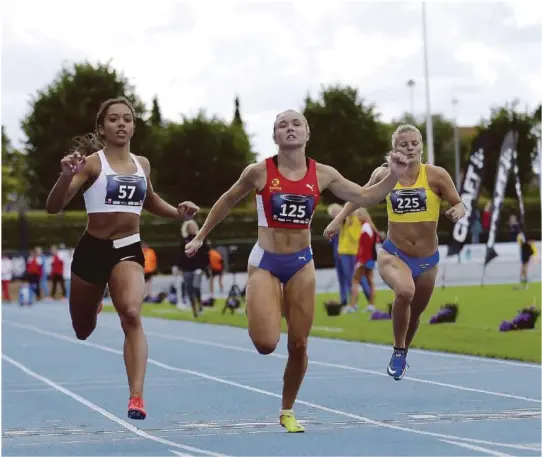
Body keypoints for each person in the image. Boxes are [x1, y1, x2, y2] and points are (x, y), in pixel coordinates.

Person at [185, 109, 408, 432]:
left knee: (299, 344)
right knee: (265, 344)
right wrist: (201, 235)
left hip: (301, 262)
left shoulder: (323, 174)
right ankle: (258, 302)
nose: (289, 129)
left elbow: (364, 196)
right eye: (282, 125)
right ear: (274, 136)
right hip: (266, 262)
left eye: (296, 124)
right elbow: (228, 200)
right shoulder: (259, 171)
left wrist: (393, 175)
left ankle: (287, 410)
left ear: (307, 133)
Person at [45, 97, 199, 420]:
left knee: (131, 313)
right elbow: (53, 206)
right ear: (101, 127)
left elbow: (151, 200)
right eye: (113, 119)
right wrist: (63, 176)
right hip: (92, 251)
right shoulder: (91, 163)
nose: (121, 124)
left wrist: (177, 213)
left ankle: (137, 396)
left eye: (127, 119)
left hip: (129, 248)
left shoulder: (142, 165)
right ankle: (96, 298)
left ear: (133, 125)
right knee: (83, 329)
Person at [324, 124, 465, 381]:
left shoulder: (436, 175)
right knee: (405, 291)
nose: (410, 148)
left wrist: (458, 211)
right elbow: (361, 197)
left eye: (414, 143)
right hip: (394, 254)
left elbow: (458, 202)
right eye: (404, 144)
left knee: (415, 315)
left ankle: (402, 350)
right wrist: (338, 219)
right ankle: (399, 347)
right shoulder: (385, 174)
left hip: (428, 260)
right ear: (394, 148)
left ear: (421, 145)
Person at [345, 208, 380, 314]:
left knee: (355, 280)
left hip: (365, 259)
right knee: (370, 281)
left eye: (358, 215)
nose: (357, 217)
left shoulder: (365, 227)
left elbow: (365, 247)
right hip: (370, 259)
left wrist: (361, 261)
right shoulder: (370, 227)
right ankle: (371, 305)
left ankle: (352, 306)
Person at [179, 220, 209, 317]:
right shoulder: (183, 241)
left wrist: (205, 268)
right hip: (187, 269)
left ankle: (200, 304)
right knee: (189, 289)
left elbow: (205, 254)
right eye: (189, 227)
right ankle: (194, 309)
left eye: (192, 227)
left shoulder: (200, 239)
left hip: (198, 268)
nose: (191, 229)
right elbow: (180, 255)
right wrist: (179, 267)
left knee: (196, 286)